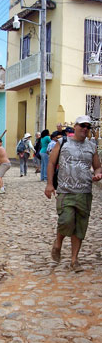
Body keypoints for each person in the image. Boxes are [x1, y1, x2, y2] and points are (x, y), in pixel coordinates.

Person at [45, 115, 102, 272]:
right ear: (75, 126)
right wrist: (50, 184)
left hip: (85, 192)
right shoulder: (62, 142)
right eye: (82, 125)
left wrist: (98, 174)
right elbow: (51, 163)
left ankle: (74, 260)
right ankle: (58, 243)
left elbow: (97, 166)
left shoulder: (91, 146)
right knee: (66, 220)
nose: (85, 129)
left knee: (80, 227)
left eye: (88, 127)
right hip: (65, 191)